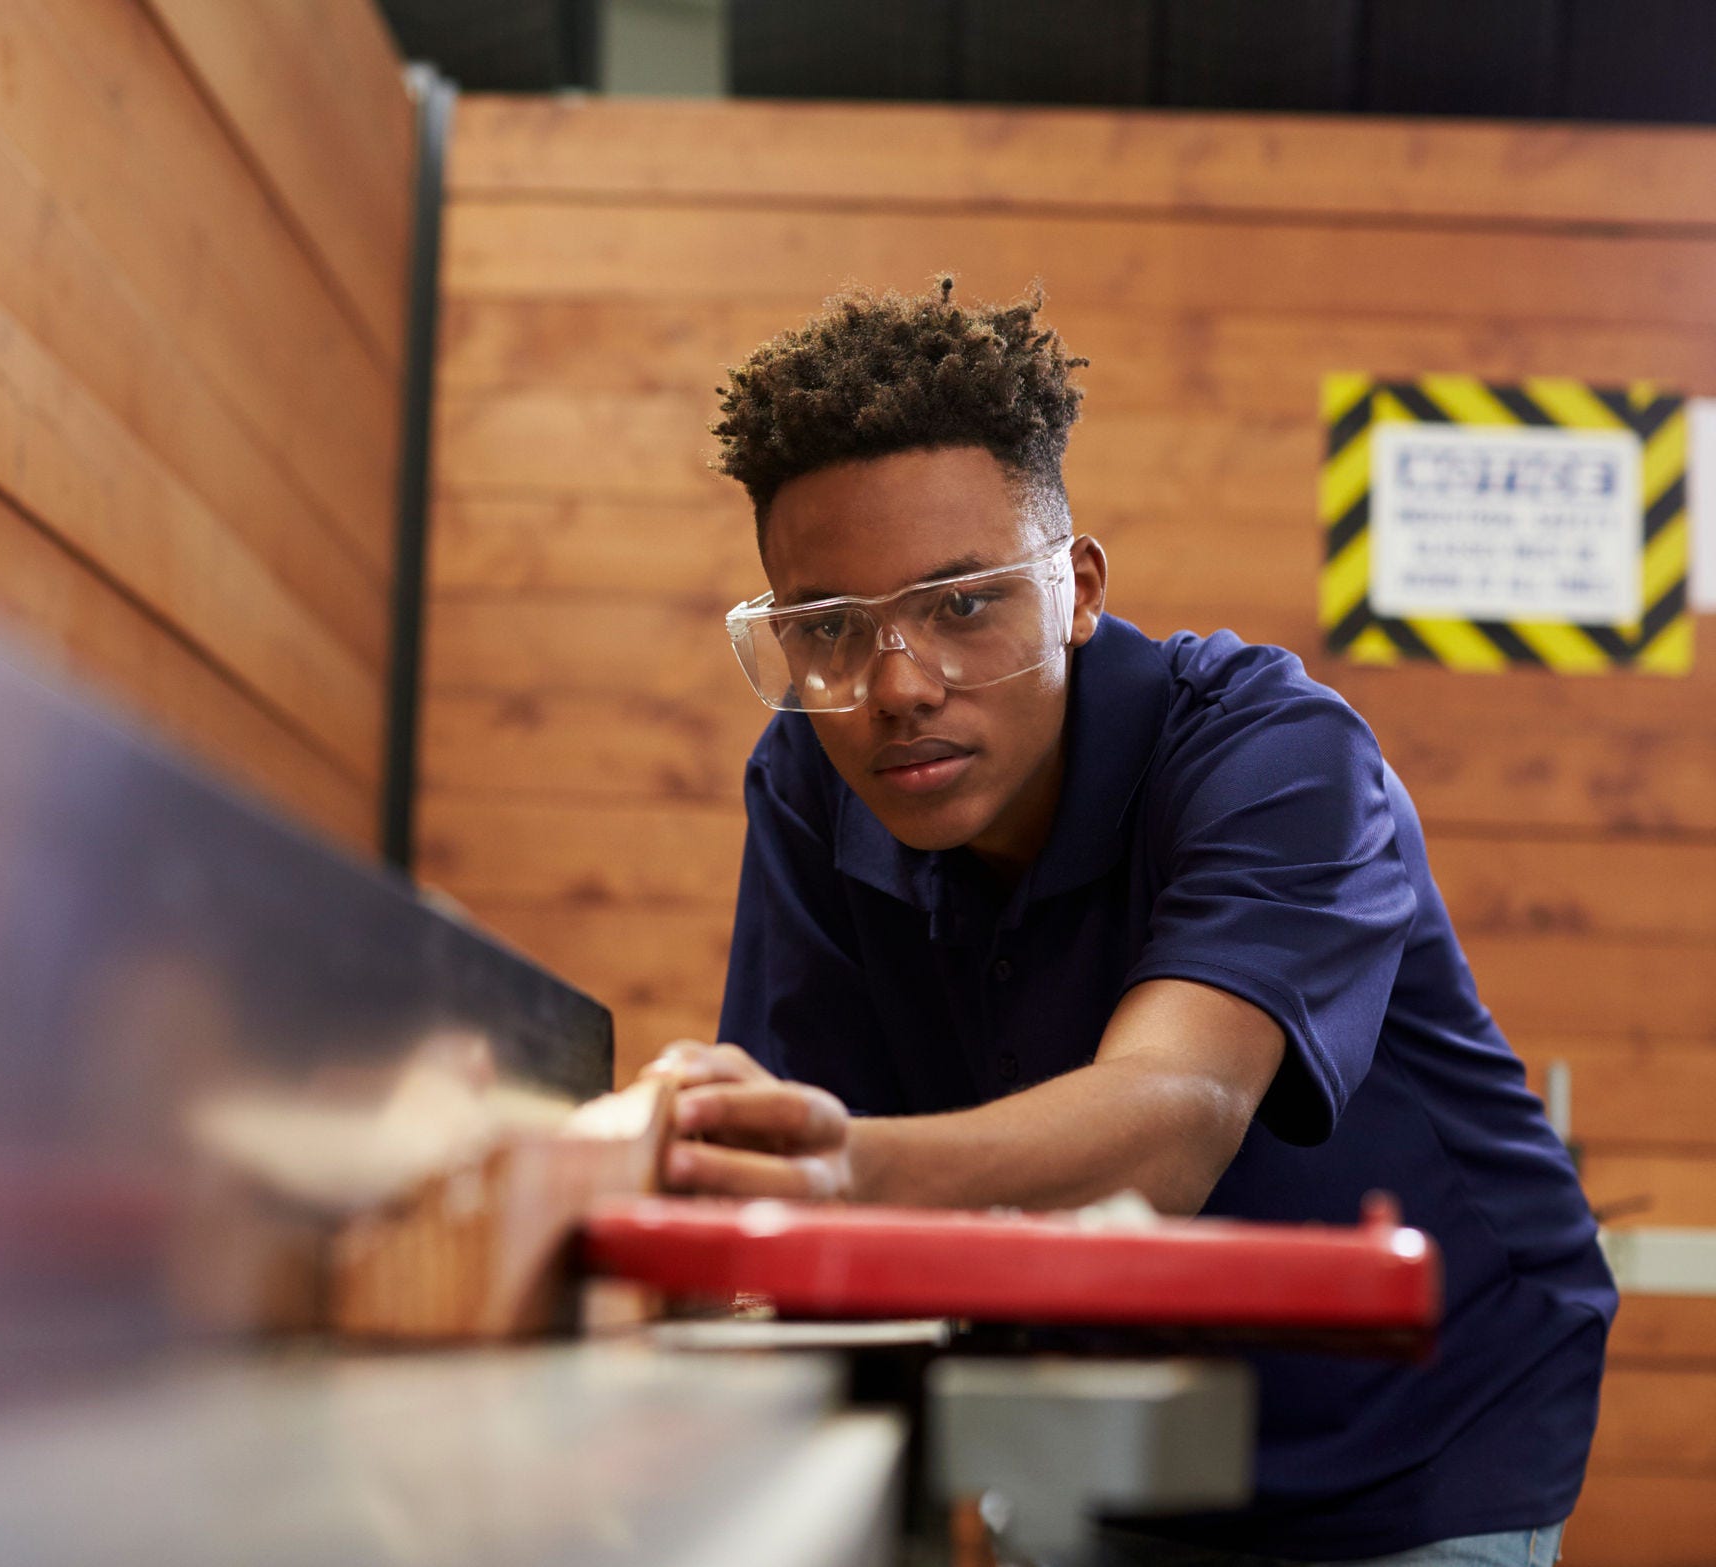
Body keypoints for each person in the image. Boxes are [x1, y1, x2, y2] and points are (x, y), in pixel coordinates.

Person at [649, 278, 1614, 1565]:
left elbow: (1171, 1119)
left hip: (1419, 1427)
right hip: (1099, 1426)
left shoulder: (1277, 755)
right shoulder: (810, 786)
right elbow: (820, 1150)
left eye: (961, 603)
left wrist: (839, 1173)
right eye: (828, 629)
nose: (896, 687)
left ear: (1078, 587)